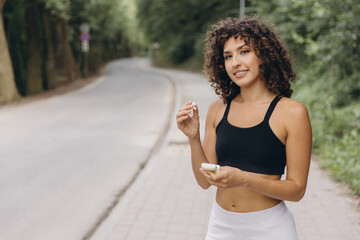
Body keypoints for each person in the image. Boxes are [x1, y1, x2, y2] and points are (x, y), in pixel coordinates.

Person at [176, 16, 312, 240]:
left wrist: (244, 179)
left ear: (264, 55)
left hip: (270, 229)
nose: (235, 62)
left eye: (244, 51)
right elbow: (204, 181)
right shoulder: (218, 109)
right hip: (221, 227)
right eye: (228, 56)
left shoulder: (292, 113)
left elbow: (297, 190)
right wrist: (193, 138)